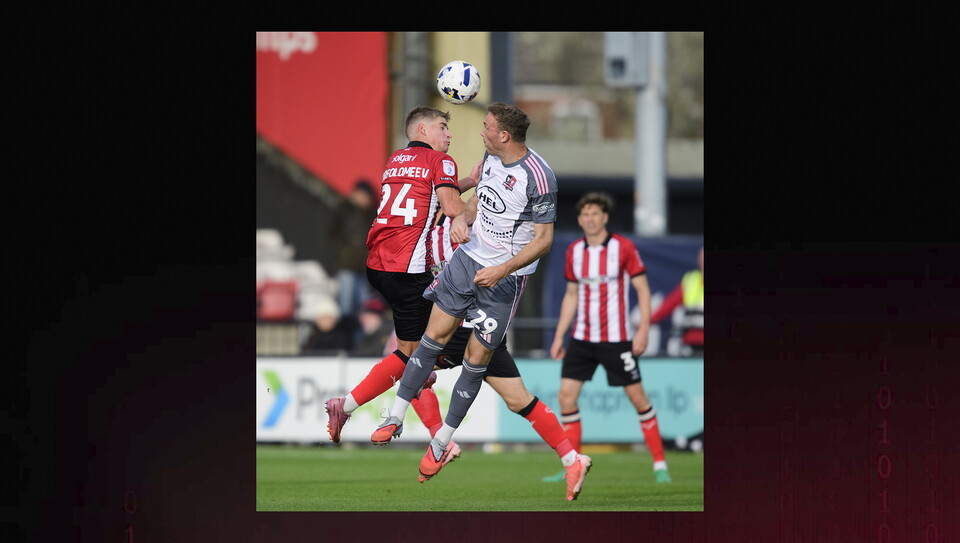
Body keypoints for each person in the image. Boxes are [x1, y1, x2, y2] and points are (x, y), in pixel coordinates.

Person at [371, 102, 592, 501]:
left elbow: (543, 242)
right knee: (429, 343)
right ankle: (398, 419)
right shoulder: (489, 159)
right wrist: (462, 217)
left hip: (500, 285)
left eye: (487, 127)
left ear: (504, 135)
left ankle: (565, 458)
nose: (481, 132)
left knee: (501, 388)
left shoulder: (539, 178)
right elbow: (478, 206)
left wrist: (502, 270)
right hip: (467, 268)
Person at [323, 105, 478, 455]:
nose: (448, 134)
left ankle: (427, 422)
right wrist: (477, 193)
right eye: (442, 127)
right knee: (420, 353)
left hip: (378, 265)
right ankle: (363, 409)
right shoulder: (441, 162)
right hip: (407, 270)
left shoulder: (395, 161)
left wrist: (466, 181)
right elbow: (451, 208)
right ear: (422, 129)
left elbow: (430, 199)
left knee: (420, 350)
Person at [546, 192, 672, 484]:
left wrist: (642, 330)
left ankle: (659, 464)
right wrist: (559, 336)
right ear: (579, 219)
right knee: (566, 397)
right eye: (585, 215)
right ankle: (572, 464)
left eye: (595, 214)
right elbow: (571, 295)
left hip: (616, 339)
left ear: (605, 217)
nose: (590, 219)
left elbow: (642, 289)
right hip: (581, 338)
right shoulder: (574, 251)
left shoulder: (623, 248)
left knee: (638, 399)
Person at [331, 179, 378, 317]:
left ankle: (362, 338)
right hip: (346, 264)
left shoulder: (372, 213)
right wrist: (342, 251)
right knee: (346, 305)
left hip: (365, 266)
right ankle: (345, 336)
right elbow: (332, 233)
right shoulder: (343, 210)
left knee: (365, 306)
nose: (364, 199)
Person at [650, 246, 703, 356]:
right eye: (701, 257)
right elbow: (668, 305)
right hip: (692, 342)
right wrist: (647, 321)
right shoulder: (691, 280)